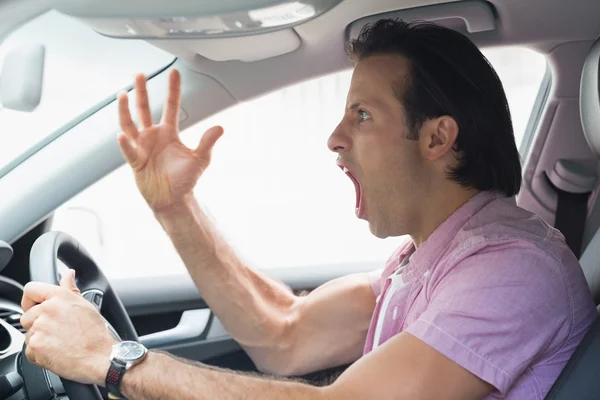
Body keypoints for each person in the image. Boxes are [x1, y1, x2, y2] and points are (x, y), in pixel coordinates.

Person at [19, 19, 596, 399]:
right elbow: (284, 334)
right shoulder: (427, 258)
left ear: (437, 137)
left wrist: (111, 358)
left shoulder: (512, 269)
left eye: (362, 115)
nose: (335, 138)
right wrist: (176, 207)